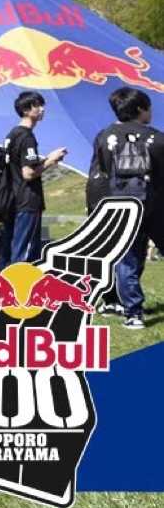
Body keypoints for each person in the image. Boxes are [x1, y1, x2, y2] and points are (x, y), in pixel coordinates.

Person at [86, 88, 164, 329]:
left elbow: (101, 171)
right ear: (140, 109)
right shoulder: (157, 138)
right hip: (153, 202)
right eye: (149, 108)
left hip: (121, 204)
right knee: (136, 256)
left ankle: (134, 314)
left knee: (127, 258)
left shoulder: (104, 137)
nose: (151, 112)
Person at [0, 91, 68, 269]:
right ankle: (20, 286)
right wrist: (51, 160)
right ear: (26, 110)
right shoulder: (26, 137)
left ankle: (4, 284)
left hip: (12, 200)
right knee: (25, 253)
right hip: (27, 201)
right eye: (37, 105)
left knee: (9, 250)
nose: (42, 109)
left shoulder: (11, 135)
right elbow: (28, 173)